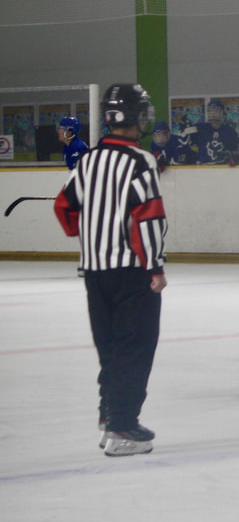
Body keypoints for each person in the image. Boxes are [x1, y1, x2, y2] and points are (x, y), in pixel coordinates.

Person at [53, 83, 168, 456]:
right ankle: (122, 427)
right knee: (134, 348)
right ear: (136, 118)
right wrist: (155, 267)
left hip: (95, 271)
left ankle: (108, 415)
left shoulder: (87, 161)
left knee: (110, 349)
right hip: (132, 272)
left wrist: (87, 235)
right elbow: (148, 217)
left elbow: (65, 208)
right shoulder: (141, 162)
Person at [189, 99, 239, 164]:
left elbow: (235, 151)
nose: (213, 113)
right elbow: (185, 138)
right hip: (203, 168)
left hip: (223, 168)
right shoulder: (200, 128)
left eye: (216, 111)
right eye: (210, 111)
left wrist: (228, 154)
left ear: (222, 112)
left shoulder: (230, 131)